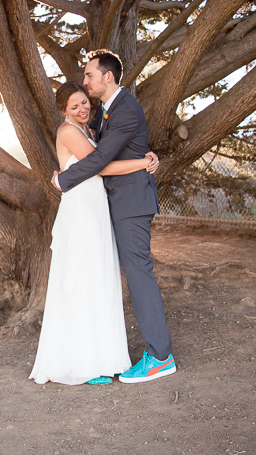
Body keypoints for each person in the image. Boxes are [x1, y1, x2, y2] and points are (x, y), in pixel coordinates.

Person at [52, 50, 176, 384]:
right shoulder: (104, 113)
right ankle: (114, 353)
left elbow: (101, 159)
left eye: (90, 75)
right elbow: (93, 151)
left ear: (108, 77)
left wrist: (63, 179)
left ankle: (161, 357)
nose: (87, 81)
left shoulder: (125, 110)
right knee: (123, 276)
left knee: (138, 274)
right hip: (113, 205)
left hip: (131, 203)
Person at [30, 81, 160, 386]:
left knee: (98, 280)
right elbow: (101, 166)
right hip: (81, 213)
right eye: (74, 106)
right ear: (63, 110)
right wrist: (145, 162)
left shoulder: (90, 129)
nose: (82, 109)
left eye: (84, 103)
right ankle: (83, 364)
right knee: (82, 281)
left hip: (96, 209)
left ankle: (102, 357)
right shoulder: (69, 132)